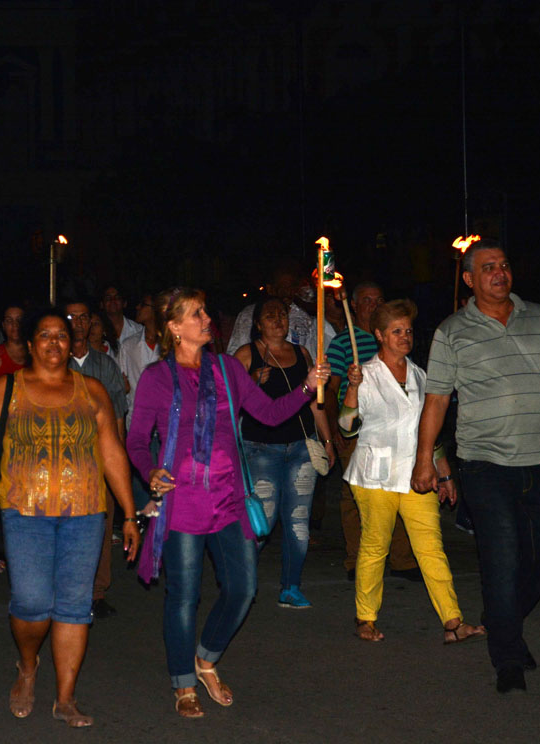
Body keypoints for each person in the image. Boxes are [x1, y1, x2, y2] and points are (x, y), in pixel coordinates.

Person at [412, 238, 540, 693]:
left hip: (539, 459)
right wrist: (425, 458)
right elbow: (437, 399)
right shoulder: (453, 331)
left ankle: (501, 619)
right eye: (488, 267)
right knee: (502, 560)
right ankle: (507, 656)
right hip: (484, 463)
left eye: (504, 265)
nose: (499, 273)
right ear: (469, 279)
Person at [128, 287, 326, 718]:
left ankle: (206, 658)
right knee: (183, 596)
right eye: (195, 314)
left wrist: (309, 387)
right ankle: (183, 682)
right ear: (174, 328)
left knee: (243, 588)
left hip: (229, 498)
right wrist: (150, 471)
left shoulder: (226, 369)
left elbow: (271, 414)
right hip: (181, 503)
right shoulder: (156, 379)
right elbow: (137, 440)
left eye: (204, 311)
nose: (205, 319)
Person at [0, 308, 139, 728]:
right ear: (29, 342)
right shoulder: (7, 387)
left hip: (85, 513)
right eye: (45, 335)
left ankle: (65, 698)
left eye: (62, 335)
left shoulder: (92, 389)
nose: (55, 343)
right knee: (31, 604)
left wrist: (130, 514)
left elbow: (112, 452)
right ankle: (28, 665)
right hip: (25, 512)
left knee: (75, 608)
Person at [339, 299, 485, 644]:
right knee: (375, 546)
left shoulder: (420, 375)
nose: (404, 337)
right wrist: (353, 388)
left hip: (418, 475)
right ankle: (366, 618)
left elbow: (428, 430)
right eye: (396, 331)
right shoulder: (366, 374)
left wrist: (443, 471)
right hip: (375, 475)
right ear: (379, 335)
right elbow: (346, 428)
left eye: (407, 330)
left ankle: (453, 621)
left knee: (431, 547)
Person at [233, 296, 336, 608]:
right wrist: (250, 382)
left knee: (298, 522)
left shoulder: (302, 353)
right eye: (271, 315)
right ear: (258, 324)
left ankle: (291, 586)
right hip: (261, 448)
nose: (278, 319)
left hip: (301, 449)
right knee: (262, 521)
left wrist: (328, 442)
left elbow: (315, 403)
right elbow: (227, 400)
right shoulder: (246, 355)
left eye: (282, 314)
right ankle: (240, 582)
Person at [324, 281, 420, 582]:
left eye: (379, 299)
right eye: (367, 300)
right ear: (353, 305)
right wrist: (334, 428)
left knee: (400, 488)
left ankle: (402, 559)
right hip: (358, 429)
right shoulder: (343, 343)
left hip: (393, 430)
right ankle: (356, 558)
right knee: (354, 496)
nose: (374, 305)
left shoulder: (395, 342)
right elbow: (332, 389)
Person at [65, 299, 129, 620]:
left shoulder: (105, 366)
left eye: (83, 317)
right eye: (70, 317)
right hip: (63, 464)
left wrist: (118, 460)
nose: (77, 322)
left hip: (99, 460)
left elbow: (118, 417)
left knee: (101, 527)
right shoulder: (53, 365)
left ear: (91, 323)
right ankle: (66, 590)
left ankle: (96, 591)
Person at [226, 264, 325, 363]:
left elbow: (311, 357)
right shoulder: (249, 315)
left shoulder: (303, 318)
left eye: (291, 287)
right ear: (270, 289)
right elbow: (234, 357)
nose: (287, 292)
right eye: (282, 287)